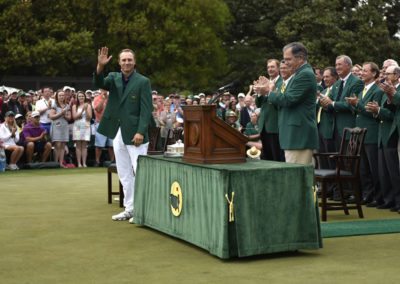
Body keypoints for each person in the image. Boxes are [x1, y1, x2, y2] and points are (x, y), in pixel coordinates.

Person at [94, 47, 153, 221]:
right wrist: (100, 66)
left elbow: (146, 109)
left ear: (134, 62)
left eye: (129, 59)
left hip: (136, 134)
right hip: (117, 131)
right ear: (119, 62)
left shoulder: (143, 81)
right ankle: (130, 208)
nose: (127, 62)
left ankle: (143, 210)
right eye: (123, 60)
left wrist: (141, 131)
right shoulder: (113, 77)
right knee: (124, 172)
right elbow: (99, 83)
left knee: (139, 171)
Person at [254, 42, 318, 165]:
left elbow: (288, 100)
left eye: (288, 59)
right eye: (284, 59)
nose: (285, 63)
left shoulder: (305, 74)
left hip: (298, 136)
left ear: (300, 58)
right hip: (293, 136)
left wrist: (268, 91)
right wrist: (270, 90)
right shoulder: (298, 74)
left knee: (297, 179)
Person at [346, 62, 383, 206]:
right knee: (363, 168)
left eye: (365, 71)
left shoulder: (378, 91)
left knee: (374, 168)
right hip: (360, 134)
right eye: (361, 71)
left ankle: (377, 196)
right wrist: (352, 104)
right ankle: (367, 194)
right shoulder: (362, 91)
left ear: (374, 73)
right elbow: (359, 111)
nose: (361, 73)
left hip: (371, 134)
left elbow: (371, 111)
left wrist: (357, 104)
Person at [255, 58, 283, 161]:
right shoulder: (264, 82)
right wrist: (259, 92)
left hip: (275, 125)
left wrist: (269, 91)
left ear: (278, 68)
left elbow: (280, 101)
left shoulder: (282, 82)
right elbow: (258, 104)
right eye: (268, 67)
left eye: (272, 67)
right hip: (264, 126)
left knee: (276, 157)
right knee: (266, 158)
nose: (270, 69)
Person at [49, 90, 71, 168]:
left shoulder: (67, 105)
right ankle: (56, 163)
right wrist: (60, 113)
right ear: (57, 96)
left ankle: (61, 163)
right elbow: (51, 116)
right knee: (57, 144)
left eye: (62, 95)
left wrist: (64, 115)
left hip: (64, 126)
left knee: (63, 145)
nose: (61, 97)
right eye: (60, 95)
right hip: (56, 126)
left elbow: (69, 118)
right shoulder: (54, 105)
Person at [92, 89, 114, 166]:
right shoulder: (97, 98)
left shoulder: (112, 98)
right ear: (101, 91)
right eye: (103, 90)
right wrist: (103, 99)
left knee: (111, 145)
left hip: (111, 123)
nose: (105, 91)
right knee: (99, 145)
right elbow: (98, 109)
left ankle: (113, 161)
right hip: (100, 123)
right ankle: (97, 161)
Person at [72, 91, 92, 168]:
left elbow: (89, 117)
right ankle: (79, 163)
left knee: (84, 145)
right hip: (77, 126)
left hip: (86, 125)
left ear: (85, 97)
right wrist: (82, 110)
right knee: (78, 145)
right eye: (79, 96)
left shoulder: (88, 105)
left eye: (82, 96)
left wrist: (86, 109)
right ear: (77, 97)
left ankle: (84, 163)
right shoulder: (74, 106)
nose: (81, 98)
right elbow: (74, 117)